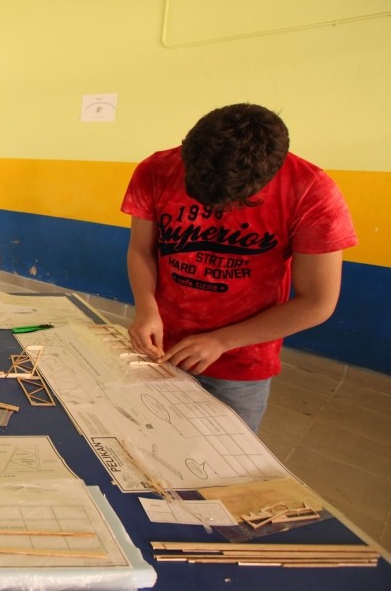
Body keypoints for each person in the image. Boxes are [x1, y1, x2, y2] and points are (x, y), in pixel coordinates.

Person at [120, 103, 357, 432]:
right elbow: (141, 248)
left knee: (221, 468)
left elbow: (317, 302)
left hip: (240, 360)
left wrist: (221, 341)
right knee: (146, 440)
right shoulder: (156, 169)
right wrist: (147, 308)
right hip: (159, 345)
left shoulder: (311, 191)